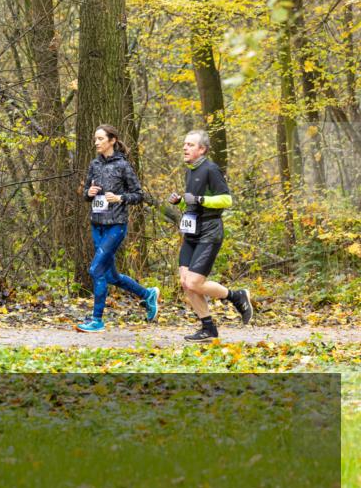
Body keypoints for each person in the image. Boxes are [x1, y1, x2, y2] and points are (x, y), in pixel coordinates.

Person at [168, 129, 253, 342]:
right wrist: (181, 201)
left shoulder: (211, 169)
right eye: (184, 144)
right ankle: (208, 328)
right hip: (192, 232)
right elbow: (194, 202)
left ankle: (236, 296)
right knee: (185, 282)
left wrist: (199, 199)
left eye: (190, 145)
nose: (184, 148)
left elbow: (226, 200)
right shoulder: (190, 171)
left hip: (209, 231)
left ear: (202, 149)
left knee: (194, 283)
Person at [78, 124, 159, 333]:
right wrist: (89, 193)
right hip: (97, 225)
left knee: (96, 269)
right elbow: (86, 194)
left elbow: (139, 195)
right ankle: (147, 295)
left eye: (100, 139)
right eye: (95, 139)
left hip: (116, 226)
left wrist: (120, 197)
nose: (96, 142)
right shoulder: (94, 164)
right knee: (111, 276)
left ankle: (97, 320)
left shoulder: (123, 165)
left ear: (112, 140)